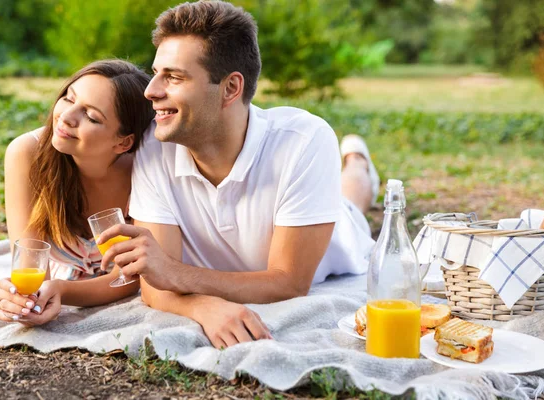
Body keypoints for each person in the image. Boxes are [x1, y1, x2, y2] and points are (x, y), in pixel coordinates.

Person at [102, 0, 380, 349]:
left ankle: (356, 160)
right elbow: (156, 279)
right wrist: (203, 307)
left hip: (335, 235)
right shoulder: (156, 146)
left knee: (352, 200)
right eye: (156, 73)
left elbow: (289, 282)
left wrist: (175, 274)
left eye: (172, 77)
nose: (151, 90)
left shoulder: (303, 139)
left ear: (231, 88)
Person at [0, 59, 154, 326]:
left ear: (123, 141)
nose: (66, 117)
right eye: (69, 99)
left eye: (91, 116)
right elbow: (30, 268)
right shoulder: (27, 154)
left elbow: (129, 278)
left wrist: (63, 290)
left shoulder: (144, 170)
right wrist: (23, 301)